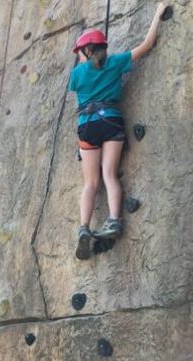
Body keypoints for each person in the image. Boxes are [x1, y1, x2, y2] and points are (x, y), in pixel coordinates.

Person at [68, 3, 170, 260]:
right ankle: (114, 220)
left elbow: (81, 82)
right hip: (111, 121)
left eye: (80, 51)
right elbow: (147, 44)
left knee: (90, 182)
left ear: (86, 50)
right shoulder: (115, 62)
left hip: (87, 126)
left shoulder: (77, 73)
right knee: (110, 174)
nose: (79, 55)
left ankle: (84, 228)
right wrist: (157, 15)